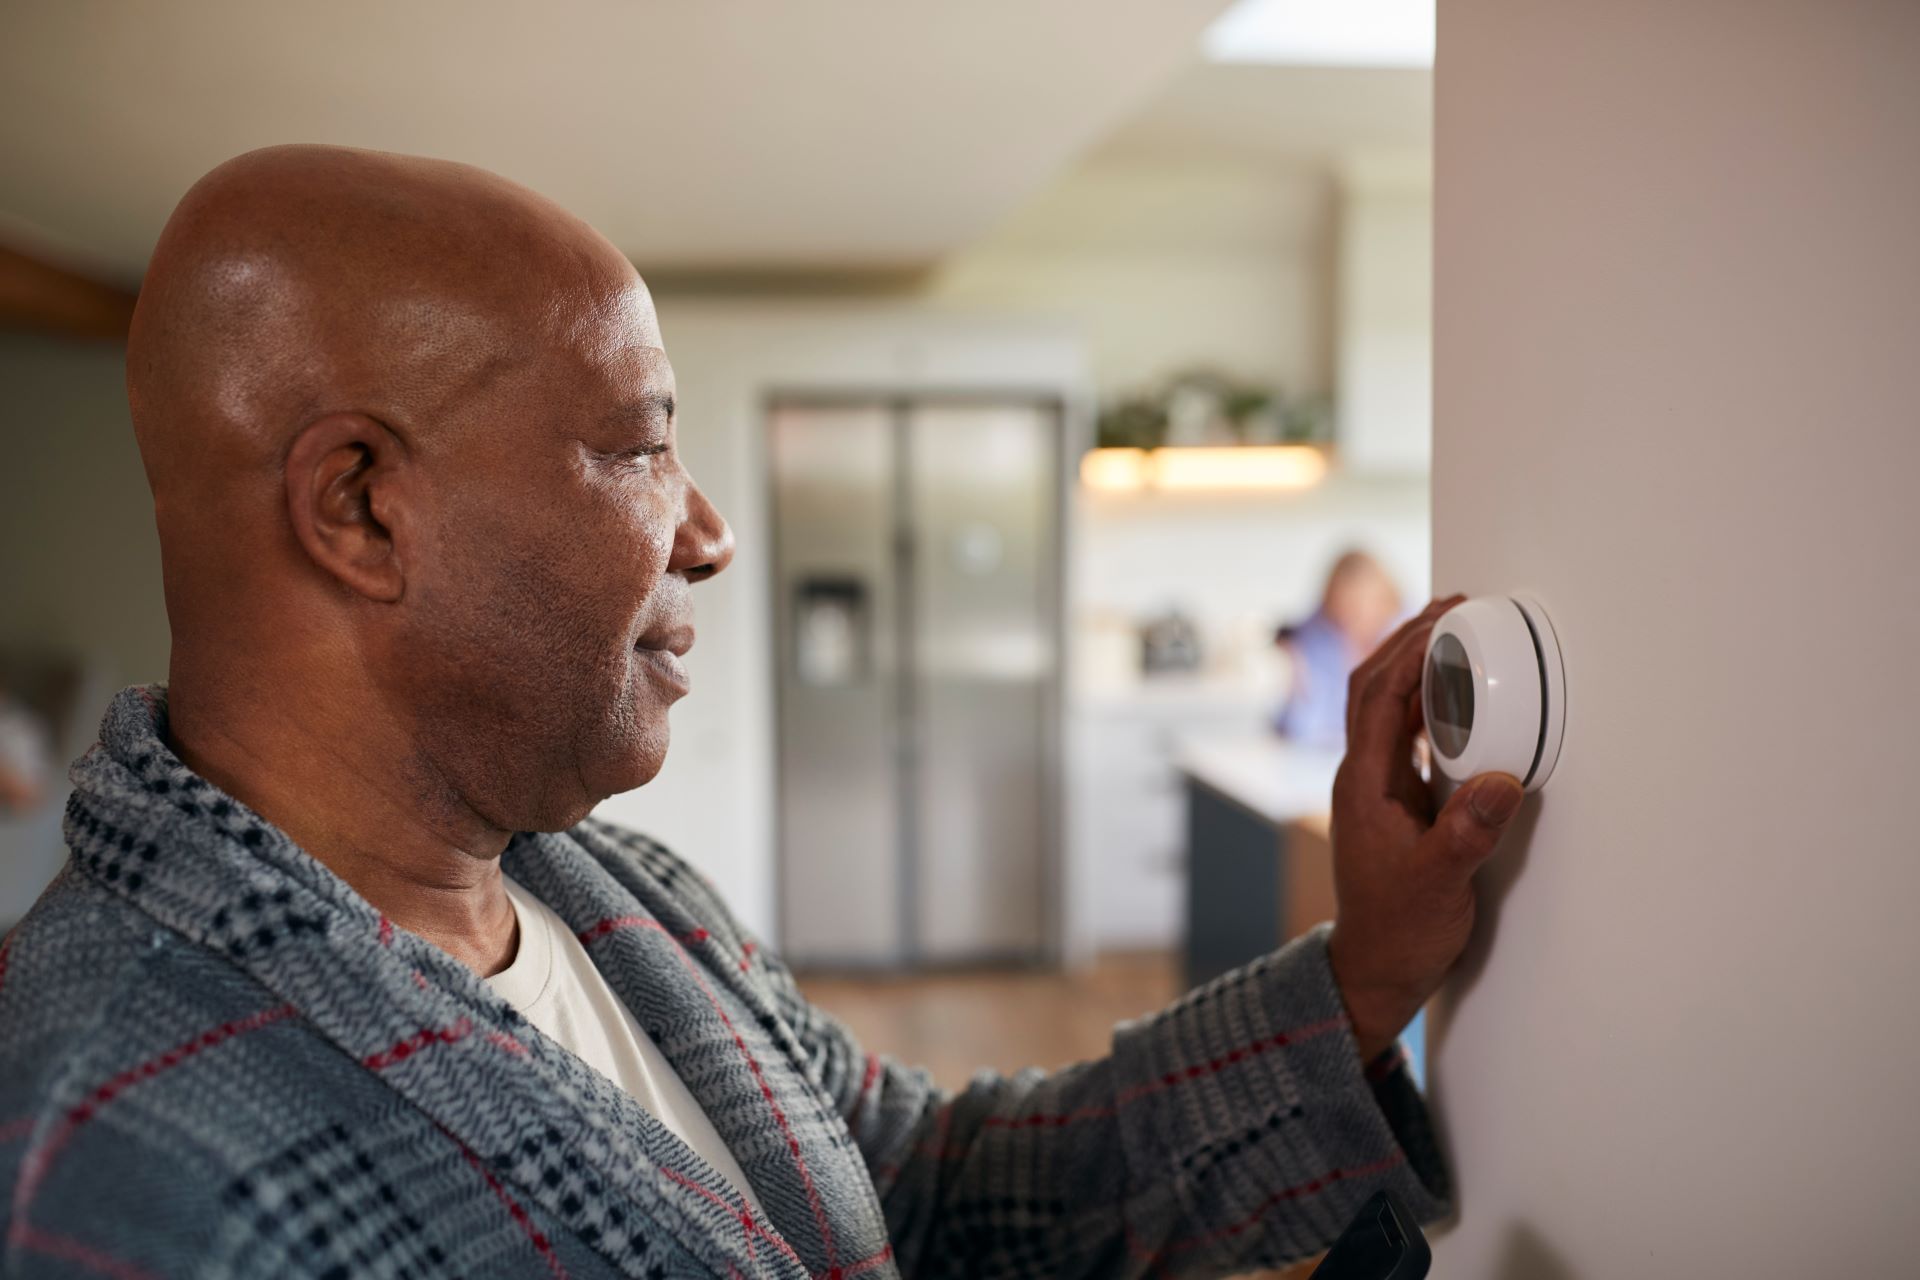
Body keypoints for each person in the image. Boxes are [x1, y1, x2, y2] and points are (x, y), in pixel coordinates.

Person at [0, 146, 1525, 1279]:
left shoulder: (616, 893)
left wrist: (1365, 976)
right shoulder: (105, 1173)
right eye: (639, 446)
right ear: (362, 506)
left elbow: (935, 1192)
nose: (710, 532)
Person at [1273, 550, 1405, 750]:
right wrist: (1296, 671)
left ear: (1383, 602)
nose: (1349, 622)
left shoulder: (1407, 638)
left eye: (1359, 609)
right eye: (1342, 610)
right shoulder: (1316, 642)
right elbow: (1299, 728)